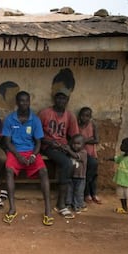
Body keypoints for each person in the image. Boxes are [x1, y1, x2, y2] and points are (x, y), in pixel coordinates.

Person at [2, 91, 53, 226]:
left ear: (30, 102)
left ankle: (48, 210)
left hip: (31, 152)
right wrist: (18, 156)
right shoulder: (9, 119)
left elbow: (38, 143)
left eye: (27, 101)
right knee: (8, 170)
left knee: (44, 171)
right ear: (17, 103)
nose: (25, 103)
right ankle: (12, 208)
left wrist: (32, 155)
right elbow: (7, 142)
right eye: (22, 101)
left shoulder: (35, 119)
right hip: (15, 152)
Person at [39, 88, 79, 219]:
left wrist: (69, 147)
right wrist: (50, 142)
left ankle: (77, 199)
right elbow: (37, 135)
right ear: (54, 99)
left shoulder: (69, 116)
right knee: (66, 163)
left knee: (85, 162)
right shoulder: (45, 113)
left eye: (64, 98)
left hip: (63, 146)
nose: (61, 101)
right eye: (59, 98)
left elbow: (74, 136)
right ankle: (61, 204)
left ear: (67, 100)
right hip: (47, 146)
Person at [78, 107, 101, 204]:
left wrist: (85, 140)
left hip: (92, 153)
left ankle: (94, 193)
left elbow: (96, 140)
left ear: (90, 117)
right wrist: (89, 139)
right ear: (79, 116)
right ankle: (87, 194)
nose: (84, 118)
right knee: (86, 174)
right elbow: (77, 141)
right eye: (82, 115)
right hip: (82, 154)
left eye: (87, 116)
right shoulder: (77, 126)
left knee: (93, 175)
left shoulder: (93, 125)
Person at [107, 137, 128, 217]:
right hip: (121, 181)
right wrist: (109, 159)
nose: (121, 145)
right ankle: (124, 208)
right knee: (121, 195)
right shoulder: (123, 156)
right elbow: (117, 159)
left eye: (123, 144)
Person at [64, 134, 88, 214]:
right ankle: (68, 204)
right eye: (74, 143)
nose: (75, 146)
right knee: (69, 190)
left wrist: (69, 150)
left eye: (78, 144)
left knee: (78, 192)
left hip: (80, 177)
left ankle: (77, 205)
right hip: (71, 176)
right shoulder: (71, 151)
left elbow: (76, 156)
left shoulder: (83, 152)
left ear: (83, 145)